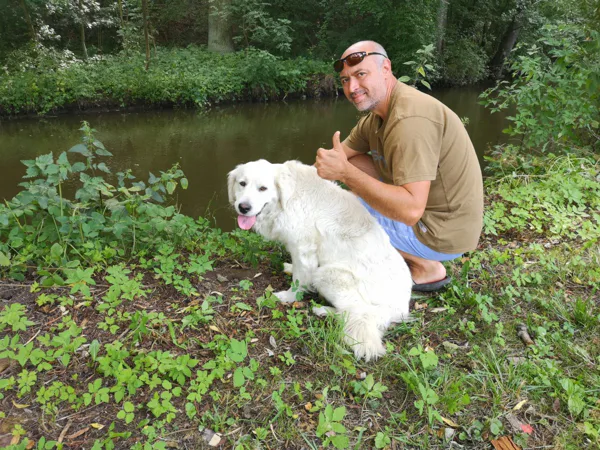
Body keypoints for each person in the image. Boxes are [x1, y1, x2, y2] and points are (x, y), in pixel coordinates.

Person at [315, 40, 483, 292]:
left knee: (338, 217)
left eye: (361, 74)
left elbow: (411, 211)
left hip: (441, 233)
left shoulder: (409, 120)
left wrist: (345, 175)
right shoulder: (376, 116)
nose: (352, 87)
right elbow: (338, 158)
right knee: (348, 175)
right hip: (430, 213)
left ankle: (425, 267)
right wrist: (290, 187)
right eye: (345, 80)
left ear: (386, 69)